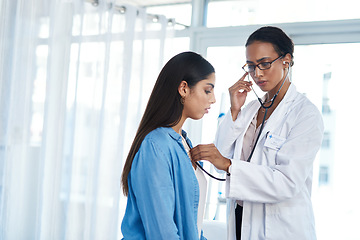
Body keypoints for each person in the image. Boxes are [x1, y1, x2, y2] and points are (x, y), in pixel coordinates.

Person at [190, 26, 324, 240]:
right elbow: (221, 152)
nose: (257, 74)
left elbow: (286, 182)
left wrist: (228, 165)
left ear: (286, 60)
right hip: (242, 218)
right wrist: (234, 110)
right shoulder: (251, 109)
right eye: (251, 66)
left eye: (264, 64)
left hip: (281, 228)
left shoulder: (305, 114)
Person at [120, 51, 216, 240]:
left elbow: (193, 224)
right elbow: (162, 233)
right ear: (184, 89)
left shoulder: (183, 143)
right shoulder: (155, 147)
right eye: (207, 90)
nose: (212, 99)